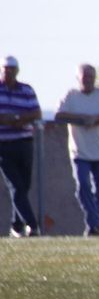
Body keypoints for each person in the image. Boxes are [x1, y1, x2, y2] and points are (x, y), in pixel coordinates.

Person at [53, 64, 99, 236]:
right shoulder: (71, 96)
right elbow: (59, 115)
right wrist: (81, 119)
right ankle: (94, 222)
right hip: (80, 151)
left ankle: (94, 226)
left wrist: (96, 119)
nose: (88, 80)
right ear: (79, 79)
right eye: (85, 77)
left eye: (91, 77)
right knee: (82, 186)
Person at [0, 55, 43, 237]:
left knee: (24, 186)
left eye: (12, 69)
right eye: (6, 69)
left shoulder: (26, 90)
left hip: (24, 142)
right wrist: (7, 120)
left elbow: (36, 112)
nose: (9, 72)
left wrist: (17, 119)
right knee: (15, 186)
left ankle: (16, 226)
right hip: (3, 145)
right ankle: (32, 225)